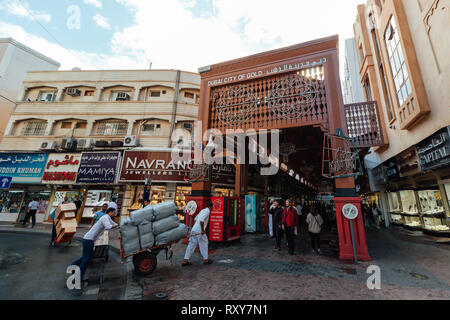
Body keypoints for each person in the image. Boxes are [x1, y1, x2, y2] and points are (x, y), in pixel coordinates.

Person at [70, 208, 118, 281]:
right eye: (114, 212)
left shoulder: (107, 218)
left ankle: (72, 266)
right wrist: (118, 225)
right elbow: (109, 227)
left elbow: (115, 225)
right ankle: (78, 277)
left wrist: (122, 224)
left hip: (89, 239)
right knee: (86, 259)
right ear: (110, 212)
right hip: (88, 239)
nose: (114, 214)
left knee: (87, 257)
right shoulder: (105, 218)